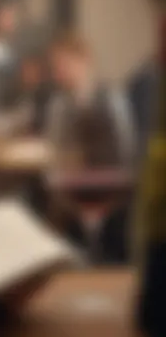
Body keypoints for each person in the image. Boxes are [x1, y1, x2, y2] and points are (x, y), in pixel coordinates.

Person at [44, 32, 136, 265]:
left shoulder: (112, 99)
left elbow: (126, 155)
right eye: (54, 67)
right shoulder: (59, 105)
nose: (57, 73)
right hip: (73, 203)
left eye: (62, 64)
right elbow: (54, 159)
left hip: (113, 206)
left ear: (84, 59)